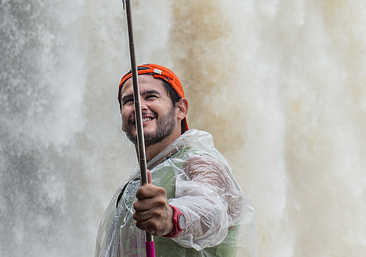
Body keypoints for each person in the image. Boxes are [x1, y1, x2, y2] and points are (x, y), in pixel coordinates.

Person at [95, 64, 257, 257]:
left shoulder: (199, 161)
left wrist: (171, 217)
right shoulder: (133, 183)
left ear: (181, 109)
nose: (140, 106)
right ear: (122, 121)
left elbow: (211, 208)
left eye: (151, 96)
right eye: (129, 101)